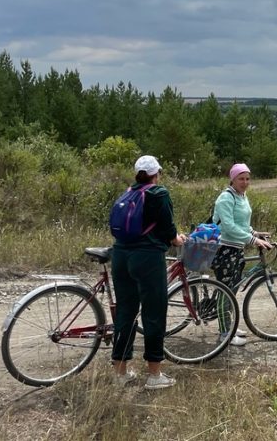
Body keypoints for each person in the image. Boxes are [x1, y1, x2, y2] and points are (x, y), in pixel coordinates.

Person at [111, 155, 187, 390]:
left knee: (126, 311)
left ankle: (120, 372)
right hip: (147, 258)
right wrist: (177, 239)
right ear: (157, 173)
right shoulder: (158, 193)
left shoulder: (128, 192)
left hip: (120, 255)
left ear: (137, 174)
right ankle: (154, 375)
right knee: (154, 312)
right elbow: (168, 228)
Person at [212, 163, 275, 345]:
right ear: (232, 179)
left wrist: (254, 233)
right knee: (225, 291)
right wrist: (253, 240)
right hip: (223, 249)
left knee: (233, 288)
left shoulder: (242, 196)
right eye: (241, 178)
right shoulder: (226, 198)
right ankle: (225, 334)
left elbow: (242, 223)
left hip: (237, 248)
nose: (245, 182)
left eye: (247, 178)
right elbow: (228, 226)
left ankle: (228, 324)